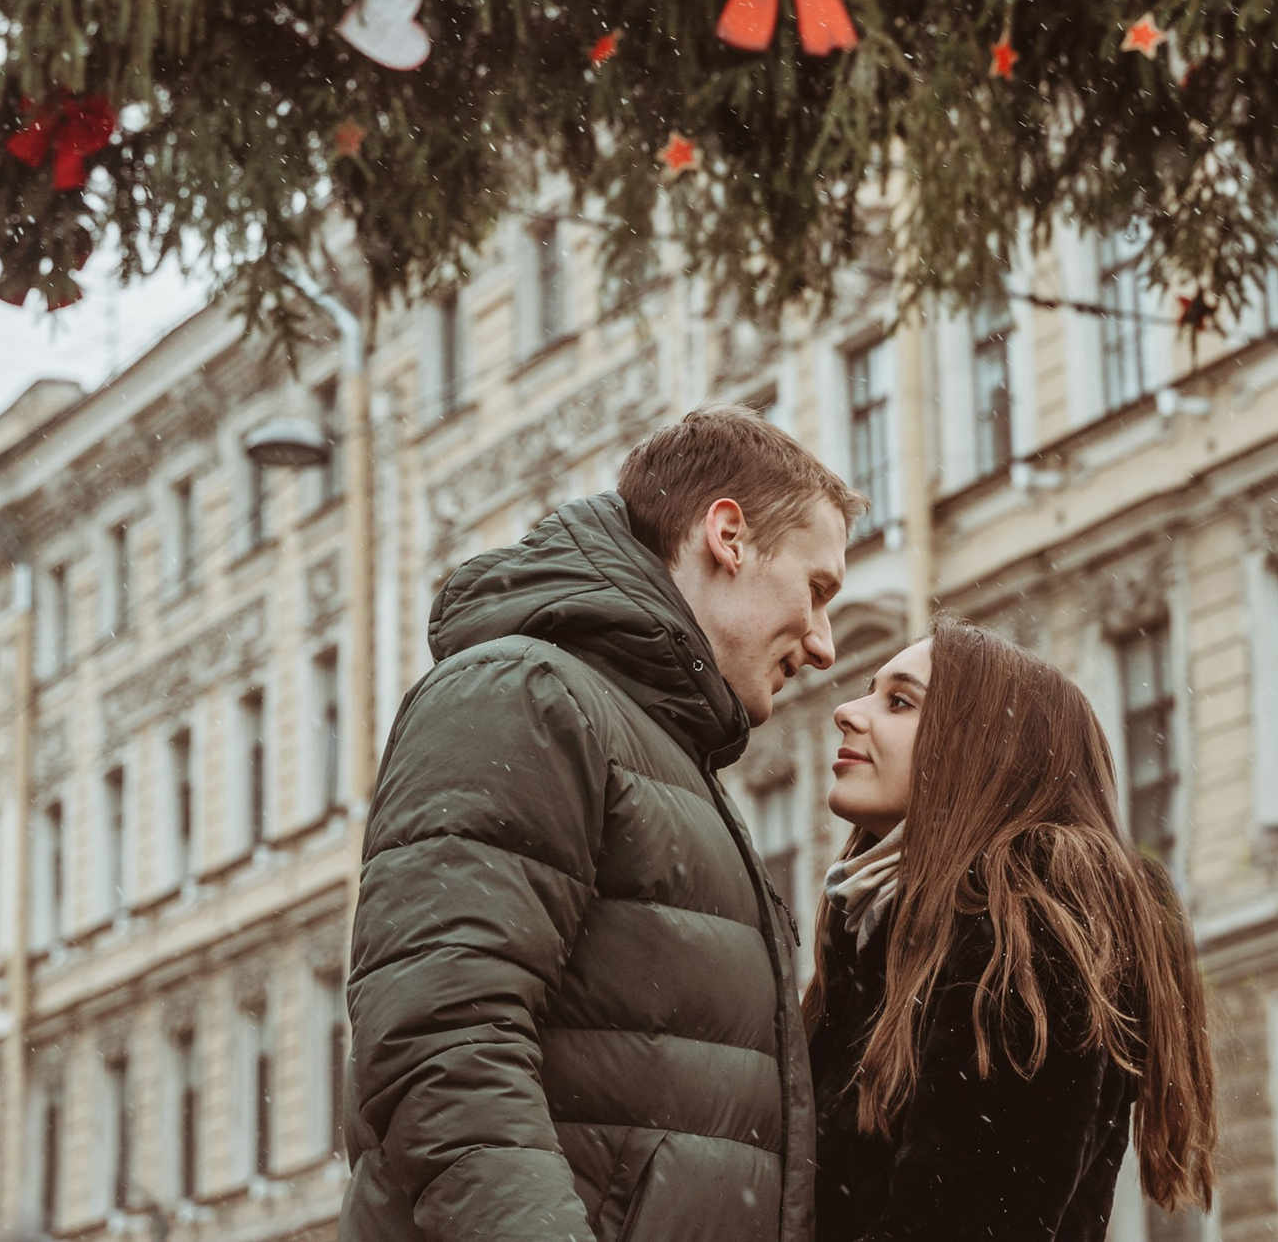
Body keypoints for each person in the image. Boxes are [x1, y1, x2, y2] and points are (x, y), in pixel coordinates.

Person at [344, 406, 865, 1242]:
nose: (825, 642)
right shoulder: (525, 694)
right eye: (818, 589)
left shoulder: (649, 742)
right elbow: (440, 1041)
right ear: (727, 535)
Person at [808, 619, 1217, 1242]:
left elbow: (964, 1221)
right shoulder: (880, 929)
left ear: (981, 750)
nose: (846, 711)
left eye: (899, 701)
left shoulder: (1025, 929)